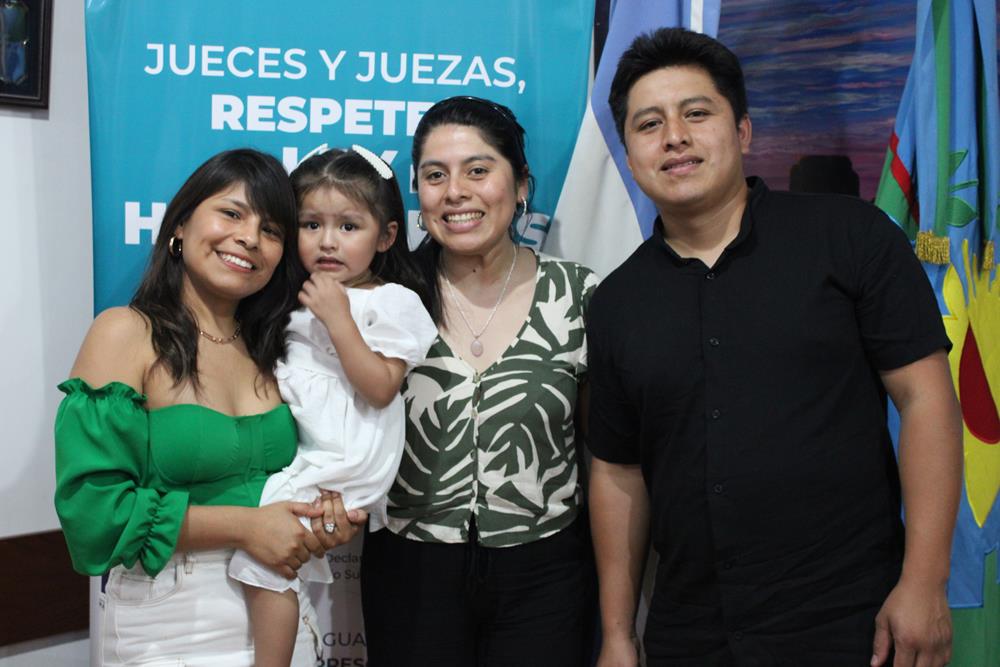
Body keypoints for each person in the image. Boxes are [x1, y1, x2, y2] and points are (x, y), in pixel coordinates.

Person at [586, 28, 963, 667]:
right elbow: (619, 472)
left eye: (696, 113)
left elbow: (925, 398)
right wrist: (619, 635)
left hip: (854, 623)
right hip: (691, 633)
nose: (673, 136)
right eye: (648, 124)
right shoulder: (617, 301)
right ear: (628, 154)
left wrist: (925, 582)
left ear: (743, 132)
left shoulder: (850, 237)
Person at [54, 148, 365, 666]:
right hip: (168, 624)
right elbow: (94, 515)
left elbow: (294, 489)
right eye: (232, 213)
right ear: (180, 224)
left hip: (284, 615)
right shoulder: (125, 333)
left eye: (271, 230)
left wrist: (322, 521)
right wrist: (247, 527)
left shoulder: (278, 351)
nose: (249, 237)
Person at [360, 95, 599, 666]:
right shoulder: (383, 297)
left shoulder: (578, 295)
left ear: (521, 184)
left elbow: (607, 453)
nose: (455, 192)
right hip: (410, 570)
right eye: (435, 175)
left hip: (547, 572)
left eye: (477, 170)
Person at [227, 145, 438, 667]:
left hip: (350, 455)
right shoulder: (290, 300)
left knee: (261, 562)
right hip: (315, 452)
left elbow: (380, 388)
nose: (327, 241)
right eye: (311, 225)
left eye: (348, 226)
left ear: (385, 236)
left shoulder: (390, 301)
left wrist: (339, 319)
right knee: (263, 557)